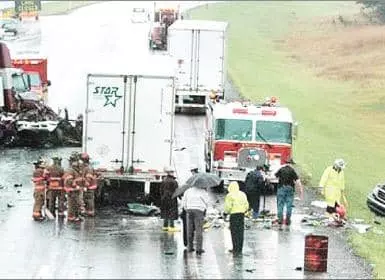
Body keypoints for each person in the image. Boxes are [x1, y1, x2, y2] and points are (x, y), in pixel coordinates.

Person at [274, 159, 304, 228]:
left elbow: (275, 176)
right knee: (289, 205)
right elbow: (298, 181)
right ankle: (287, 221)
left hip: (281, 188)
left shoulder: (281, 169)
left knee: (280, 205)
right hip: (290, 189)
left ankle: (280, 220)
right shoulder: (292, 171)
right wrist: (301, 191)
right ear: (291, 164)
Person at [182, 183, 210, 255]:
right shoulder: (202, 192)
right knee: (199, 229)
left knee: (189, 229)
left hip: (189, 210)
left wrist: (186, 208)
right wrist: (204, 208)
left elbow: (184, 202)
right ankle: (199, 248)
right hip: (199, 210)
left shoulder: (187, 191)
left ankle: (190, 247)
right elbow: (207, 202)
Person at [224, 181, 249, 256]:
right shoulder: (242, 194)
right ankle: (240, 248)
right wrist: (244, 210)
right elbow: (246, 205)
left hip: (234, 215)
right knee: (240, 232)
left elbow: (228, 206)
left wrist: (226, 213)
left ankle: (235, 248)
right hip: (241, 214)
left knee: (234, 232)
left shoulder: (229, 195)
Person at [160, 166, 180, 232]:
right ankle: (171, 226)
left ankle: (165, 226)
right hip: (172, 199)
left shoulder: (164, 180)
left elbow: (161, 190)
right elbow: (177, 191)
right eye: (172, 172)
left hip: (164, 199)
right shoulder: (174, 182)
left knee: (165, 211)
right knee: (172, 212)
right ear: (169, 173)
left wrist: (162, 196)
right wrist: (180, 197)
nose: (173, 173)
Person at [82, 153, 97, 217]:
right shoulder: (88, 167)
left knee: (89, 199)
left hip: (89, 186)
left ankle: (90, 212)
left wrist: (86, 186)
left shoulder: (88, 168)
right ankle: (88, 211)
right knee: (87, 199)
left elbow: (88, 177)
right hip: (90, 186)